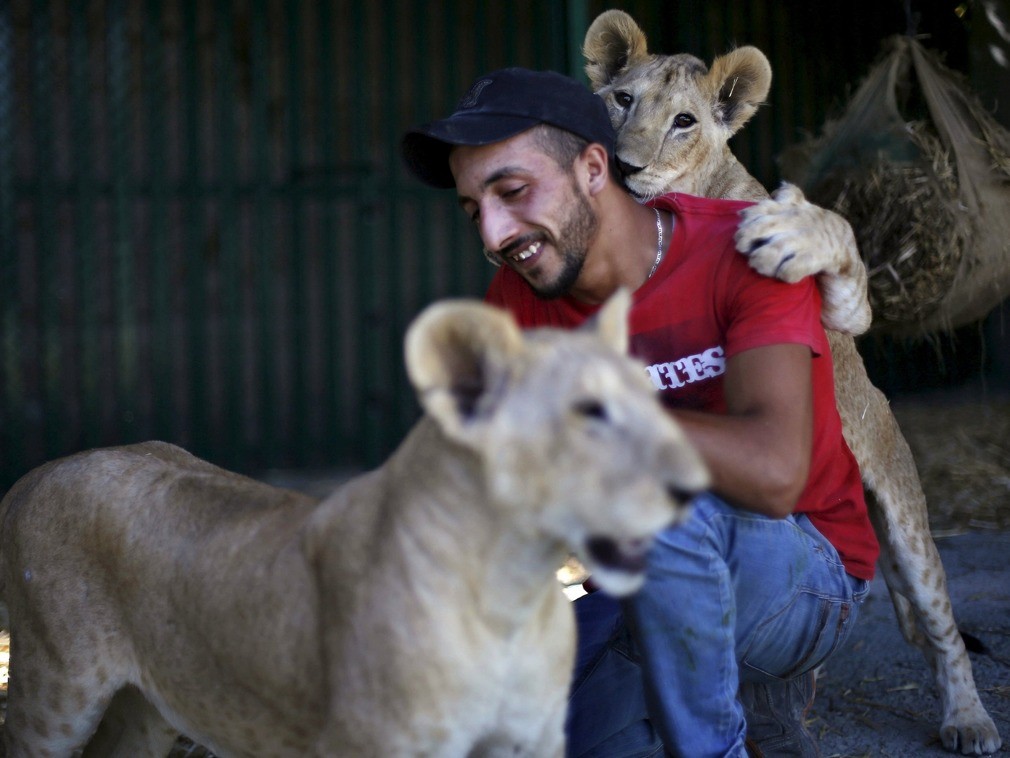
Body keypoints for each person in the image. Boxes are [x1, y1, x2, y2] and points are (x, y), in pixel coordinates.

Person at [402, 67, 878, 758]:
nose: (495, 233)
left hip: (805, 575)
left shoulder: (748, 247)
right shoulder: (518, 302)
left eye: (512, 191)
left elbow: (775, 474)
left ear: (594, 167)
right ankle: (737, 714)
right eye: (475, 209)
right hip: (632, 577)